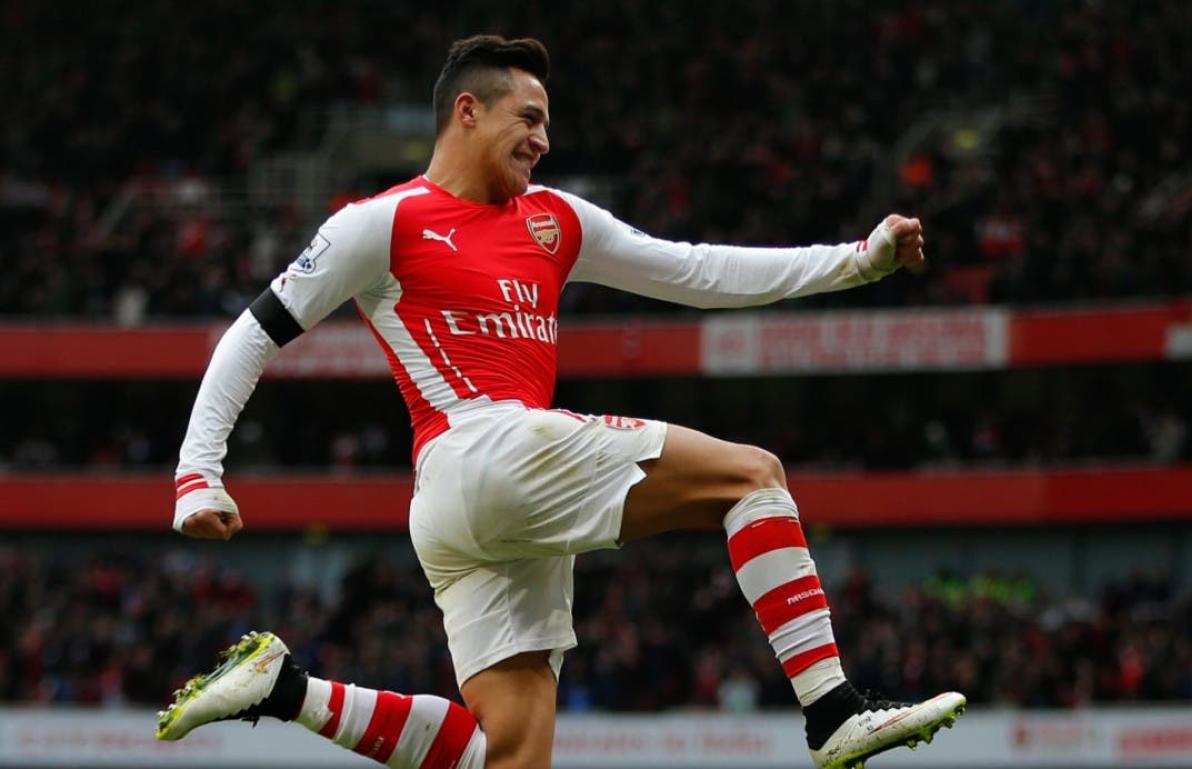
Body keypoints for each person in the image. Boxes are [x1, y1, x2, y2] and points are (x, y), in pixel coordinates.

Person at [156, 34, 965, 769]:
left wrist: (856, 261)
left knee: (509, 753)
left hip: (462, 508)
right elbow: (253, 332)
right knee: (753, 476)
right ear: (467, 112)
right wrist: (198, 472)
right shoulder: (384, 222)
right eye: (529, 117)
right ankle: (833, 711)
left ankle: (286, 688)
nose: (544, 139)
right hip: (483, 449)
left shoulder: (556, 221)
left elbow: (698, 270)